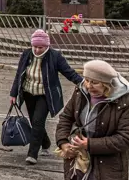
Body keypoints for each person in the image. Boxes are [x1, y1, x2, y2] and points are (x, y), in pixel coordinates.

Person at [9, 29, 84, 165]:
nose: (37, 50)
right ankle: (46, 142)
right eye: (35, 46)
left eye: (40, 47)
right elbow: (19, 74)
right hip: (28, 93)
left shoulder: (55, 56)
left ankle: (32, 154)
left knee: (38, 121)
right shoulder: (26, 54)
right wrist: (13, 93)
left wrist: (83, 83)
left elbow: (69, 72)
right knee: (35, 122)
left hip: (45, 95)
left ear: (47, 46)